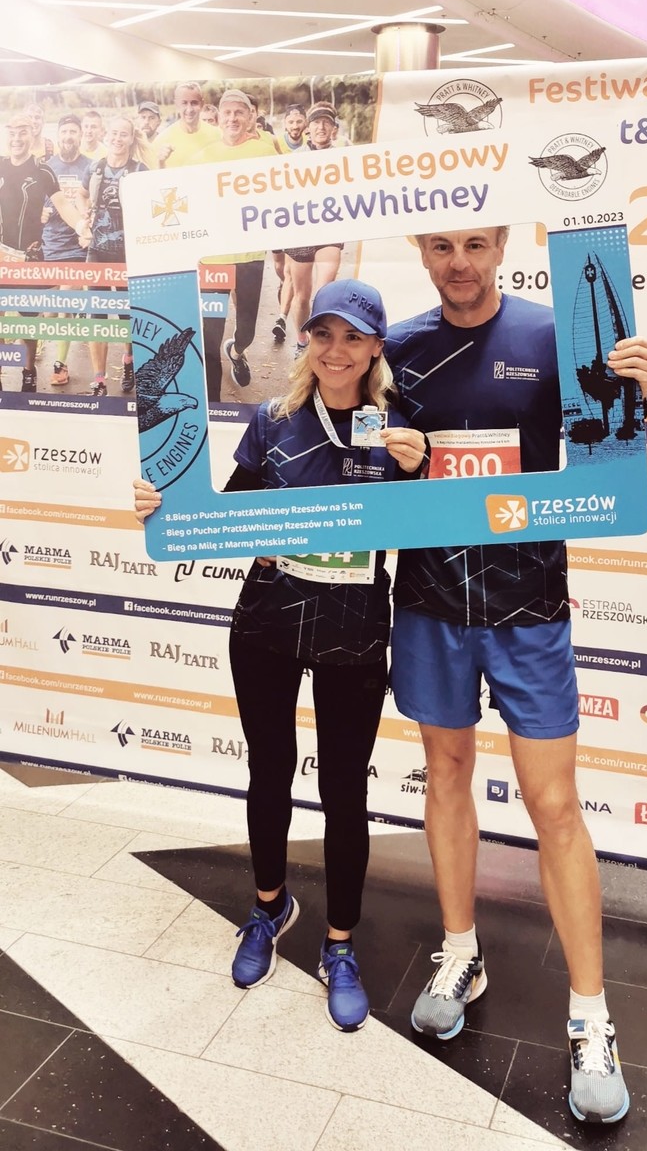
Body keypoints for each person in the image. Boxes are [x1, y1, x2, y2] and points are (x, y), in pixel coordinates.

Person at [385, 226, 647, 1125]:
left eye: (475, 244)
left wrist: (635, 393)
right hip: (429, 601)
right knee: (446, 774)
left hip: (529, 605)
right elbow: (342, 453)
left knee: (554, 806)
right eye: (441, 246)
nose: (459, 262)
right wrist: (183, 502)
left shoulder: (553, 333)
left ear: (501, 243)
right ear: (421, 250)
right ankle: (460, 953)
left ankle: (591, 1017)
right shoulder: (398, 347)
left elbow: (605, 449)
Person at [134, 279, 426, 1032]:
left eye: (353, 337)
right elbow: (226, 513)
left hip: (354, 626)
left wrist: (420, 469)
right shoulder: (273, 419)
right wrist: (163, 507)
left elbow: (433, 529)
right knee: (268, 770)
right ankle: (268, 910)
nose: (336, 350)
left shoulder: (401, 428)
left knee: (344, 791)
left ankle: (340, 945)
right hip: (268, 617)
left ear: (376, 347)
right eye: (323, 334)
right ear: (307, 340)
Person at [186, 88, 277, 400]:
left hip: (250, 255)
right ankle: (212, 402)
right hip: (213, 259)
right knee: (209, 335)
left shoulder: (265, 152)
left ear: (250, 116)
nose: (233, 118)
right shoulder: (203, 156)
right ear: (219, 117)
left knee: (247, 330)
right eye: (227, 112)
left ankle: (237, 350)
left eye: (239, 112)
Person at [0, 110, 90, 392]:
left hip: (29, 257)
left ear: (32, 135)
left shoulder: (43, 171)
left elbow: (62, 204)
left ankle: (29, 371)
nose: (17, 139)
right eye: (12, 133)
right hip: (1, 256)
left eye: (23, 133)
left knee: (28, 319)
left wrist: (81, 226)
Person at [80, 116, 154, 396]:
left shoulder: (139, 170)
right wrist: (84, 217)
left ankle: (129, 360)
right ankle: (99, 379)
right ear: (105, 135)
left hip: (128, 254)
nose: (117, 139)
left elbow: (152, 205)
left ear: (131, 138)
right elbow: (81, 195)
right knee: (96, 314)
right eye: (113, 133)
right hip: (97, 251)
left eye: (123, 134)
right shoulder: (95, 168)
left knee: (127, 314)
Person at [281, 102, 345, 355]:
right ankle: (301, 341)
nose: (321, 127)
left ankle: (318, 343)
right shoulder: (295, 158)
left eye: (326, 123)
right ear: (309, 128)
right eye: (317, 122)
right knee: (302, 296)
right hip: (301, 232)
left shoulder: (344, 157)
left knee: (324, 292)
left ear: (333, 128)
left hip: (330, 231)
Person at [41, 113, 91, 388]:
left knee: (65, 303)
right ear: (58, 136)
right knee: (50, 311)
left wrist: (88, 228)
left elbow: (96, 202)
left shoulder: (90, 166)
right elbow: (33, 203)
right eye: (65, 132)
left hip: (77, 246)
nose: (69, 136)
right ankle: (51, 338)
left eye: (73, 131)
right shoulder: (46, 167)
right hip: (50, 244)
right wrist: (41, 213)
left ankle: (60, 365)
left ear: (81, 135)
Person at [156, 81, 219, 168]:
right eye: (184, 103)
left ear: (202, 104)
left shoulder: (218, 135)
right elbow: (156, 175)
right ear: (177, 105)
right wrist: (161, 163)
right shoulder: (161, 141)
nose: (189, 109)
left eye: (194, 103)